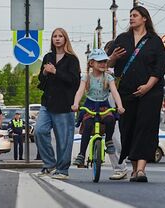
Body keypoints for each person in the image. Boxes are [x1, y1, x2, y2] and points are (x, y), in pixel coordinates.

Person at [107, 6, 165, 183]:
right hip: (126, 92)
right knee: (128, 128)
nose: (131, 18)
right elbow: (107, 64)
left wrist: (148, 86)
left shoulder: (154, 41)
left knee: (145, 127)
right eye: (130, 15)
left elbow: (161, 66)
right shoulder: (122, 39)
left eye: (135, 15)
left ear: (144, 18)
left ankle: (141, 169)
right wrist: (113, 57)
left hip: (151, 92)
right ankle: (134, 169)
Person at [71, 48, 126, 179]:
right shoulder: (86, 77)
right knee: (88, 124)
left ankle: (108, 141)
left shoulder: (108, 77)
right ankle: (81, 154)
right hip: (90, 105)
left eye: (104, 61)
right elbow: (80, 91)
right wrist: (76, 104)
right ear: (91, 63)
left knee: (110, 120)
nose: (103, 64)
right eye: (99, 61)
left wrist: (120, 106)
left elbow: (115, 92)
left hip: (103, 105)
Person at [35, 28, 81, 178]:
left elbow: (74, 81)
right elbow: (41, 80)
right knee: (39, 131)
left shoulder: (72, 59)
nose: (57, 38)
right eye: (54, 36)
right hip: (47, 102)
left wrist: (56, 72)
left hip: (64, 104)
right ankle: (49, 164)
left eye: (60, 36)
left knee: (63, 140)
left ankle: (62, 170)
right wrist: (44, 73)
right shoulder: (48, 57)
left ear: (65, 39)